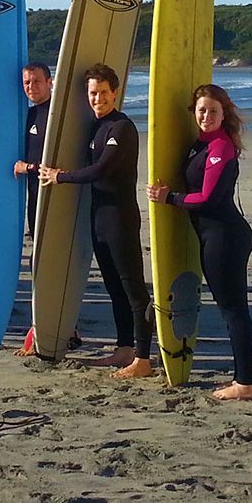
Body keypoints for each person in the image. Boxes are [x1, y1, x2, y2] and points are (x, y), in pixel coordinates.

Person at [146, 84, 252, 401]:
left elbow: (208, 199)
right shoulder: (200, 145)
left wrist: (169, 198)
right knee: (232, 309)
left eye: (212, 110)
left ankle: (245, 383)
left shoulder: (221, 147)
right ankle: (245, 376)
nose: (206, 115)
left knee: (234, 310)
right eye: (201, 110)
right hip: (214, 235)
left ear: (224, 114)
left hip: (225, 236)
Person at [39, 64, 153, 378]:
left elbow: (102, 169)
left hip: (120, 219)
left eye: (103, 92)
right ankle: (125, 349)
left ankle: (143, 358)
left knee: (134, 291)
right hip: (99, 218)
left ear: (115, 93)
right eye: (92, 93)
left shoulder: (121, 127)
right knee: (114, 288)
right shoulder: (95, 127)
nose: (97, 98)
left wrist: (60, 176)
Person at [15, 62, 53, 234]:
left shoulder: (58, 114)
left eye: (37, 81)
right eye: (27, 82)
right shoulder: (28, 116)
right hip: (34, 194)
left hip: (56, 197)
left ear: (49, 82)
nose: (31, 87)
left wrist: (28, 167)